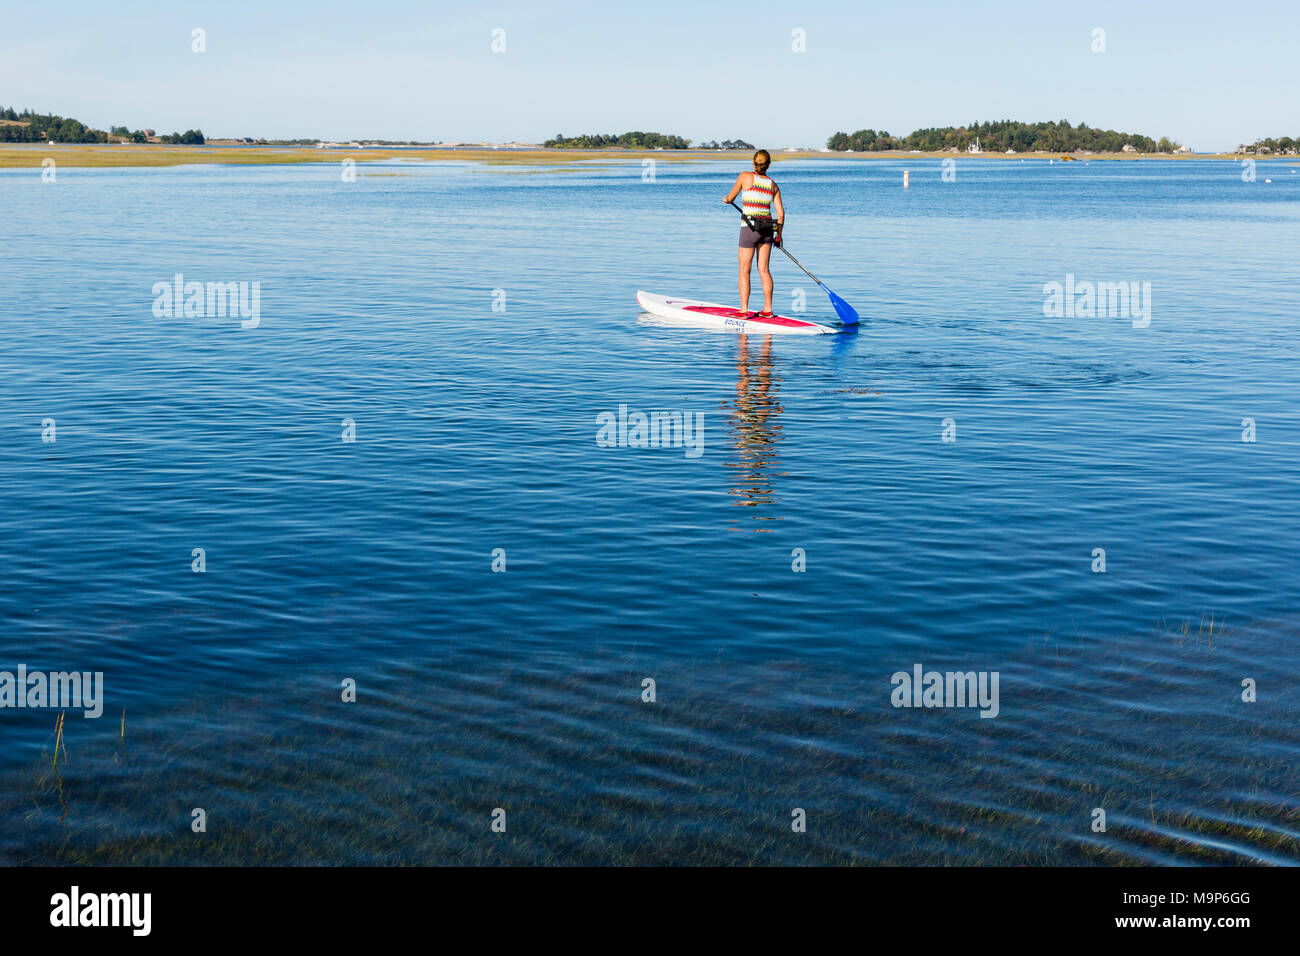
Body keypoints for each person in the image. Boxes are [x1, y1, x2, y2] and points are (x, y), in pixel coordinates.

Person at [723, 149, 785, 316]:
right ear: (769, 165)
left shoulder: (745, 176)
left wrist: (727, 200)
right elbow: (780, 213)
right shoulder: (773, 185)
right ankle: (768, 309)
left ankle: (744, 310)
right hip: (767, 230)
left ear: (753, 163)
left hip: (749, 229)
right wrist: (779, 236)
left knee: (744, 269)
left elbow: (730, 198)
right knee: (764, 270)